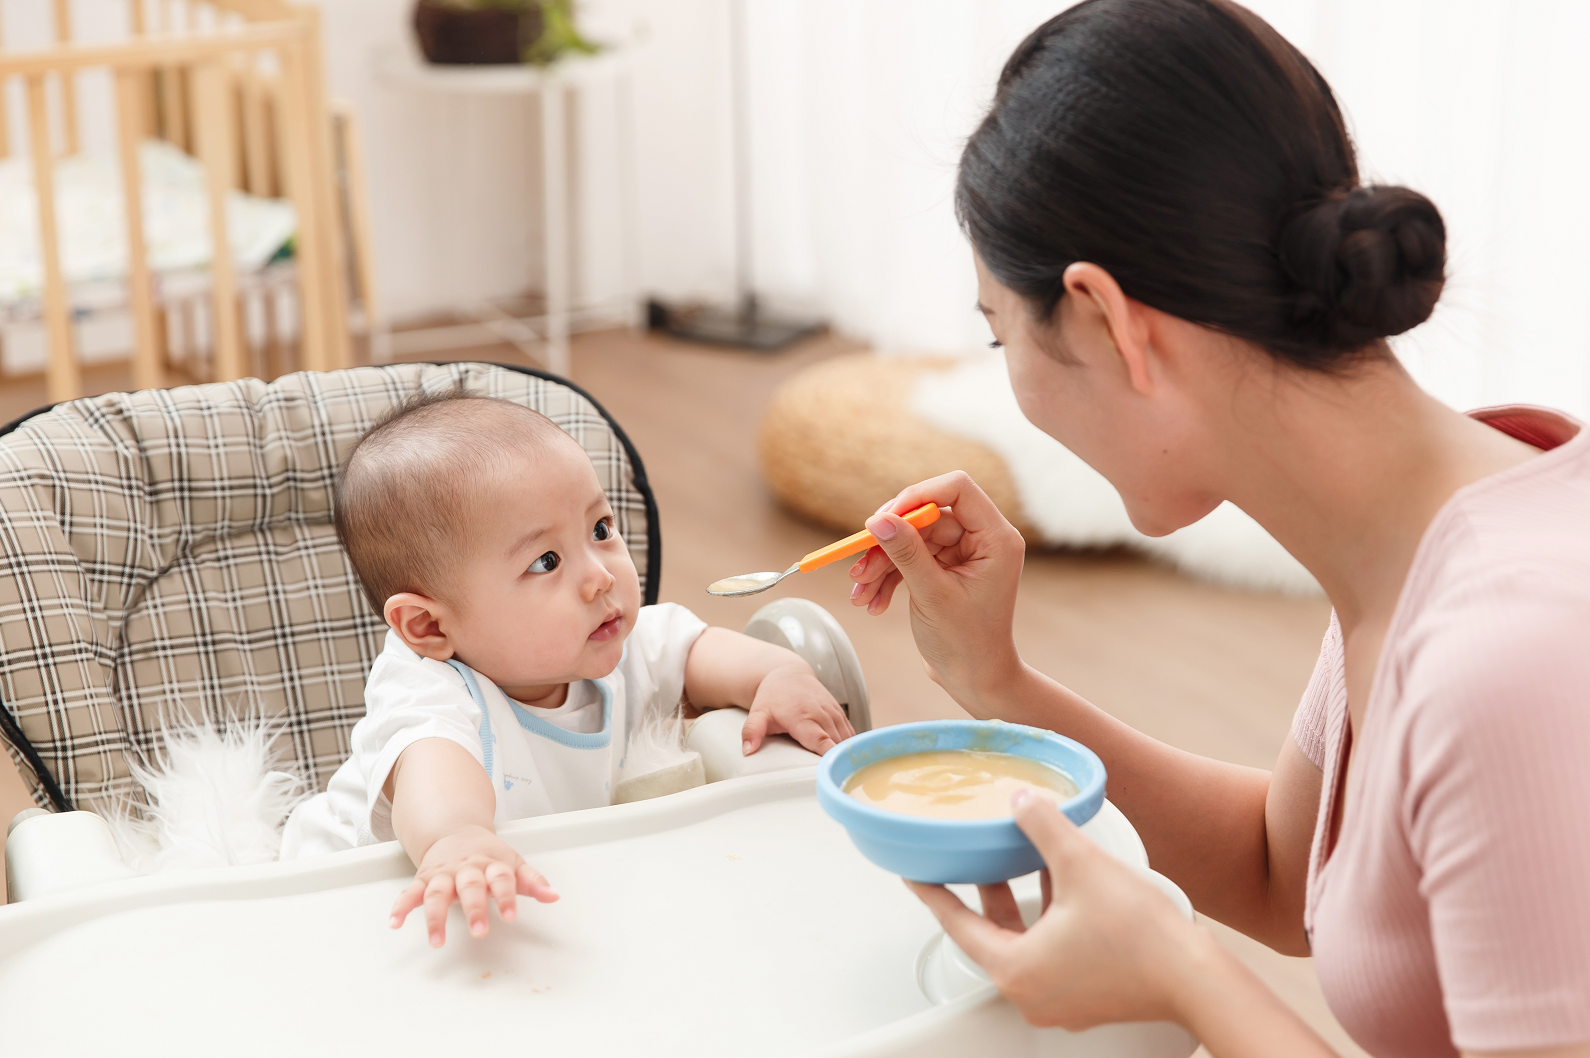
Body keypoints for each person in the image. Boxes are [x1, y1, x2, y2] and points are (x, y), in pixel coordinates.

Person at [845, 2, 1590, 1056]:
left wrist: (1184, 976)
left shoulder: (1509, 655)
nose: (1004, 370)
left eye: (998, 330)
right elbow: (1282, 874)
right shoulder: (1417, 534)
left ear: (1107, 320)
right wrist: (996, 683)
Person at [281, 391, 852, 947]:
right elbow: (435, 775)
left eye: (600, 529)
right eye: (545, 561)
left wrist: (778, 674)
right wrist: (456, 839)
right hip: (334, 902)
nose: (601, 575)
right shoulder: (426, 691)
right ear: (430, 628)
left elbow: (699, 650)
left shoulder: (611, 639)